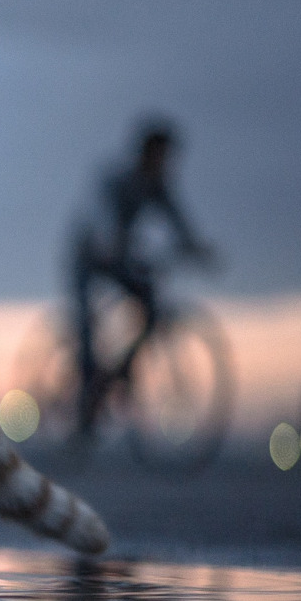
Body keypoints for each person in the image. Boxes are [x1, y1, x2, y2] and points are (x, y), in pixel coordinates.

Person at [69, 116, 217, 432]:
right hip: (88, 255)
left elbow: (180, 223)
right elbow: (101, 216)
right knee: (85, 328)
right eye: (162, 156)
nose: (166, 163)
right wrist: (112, 241)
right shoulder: (116, 180)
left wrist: (196, 250)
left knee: (150, 309)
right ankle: (86, 397)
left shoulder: (158, 187)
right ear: (147, 153)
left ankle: (121, 372)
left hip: (118, 257)